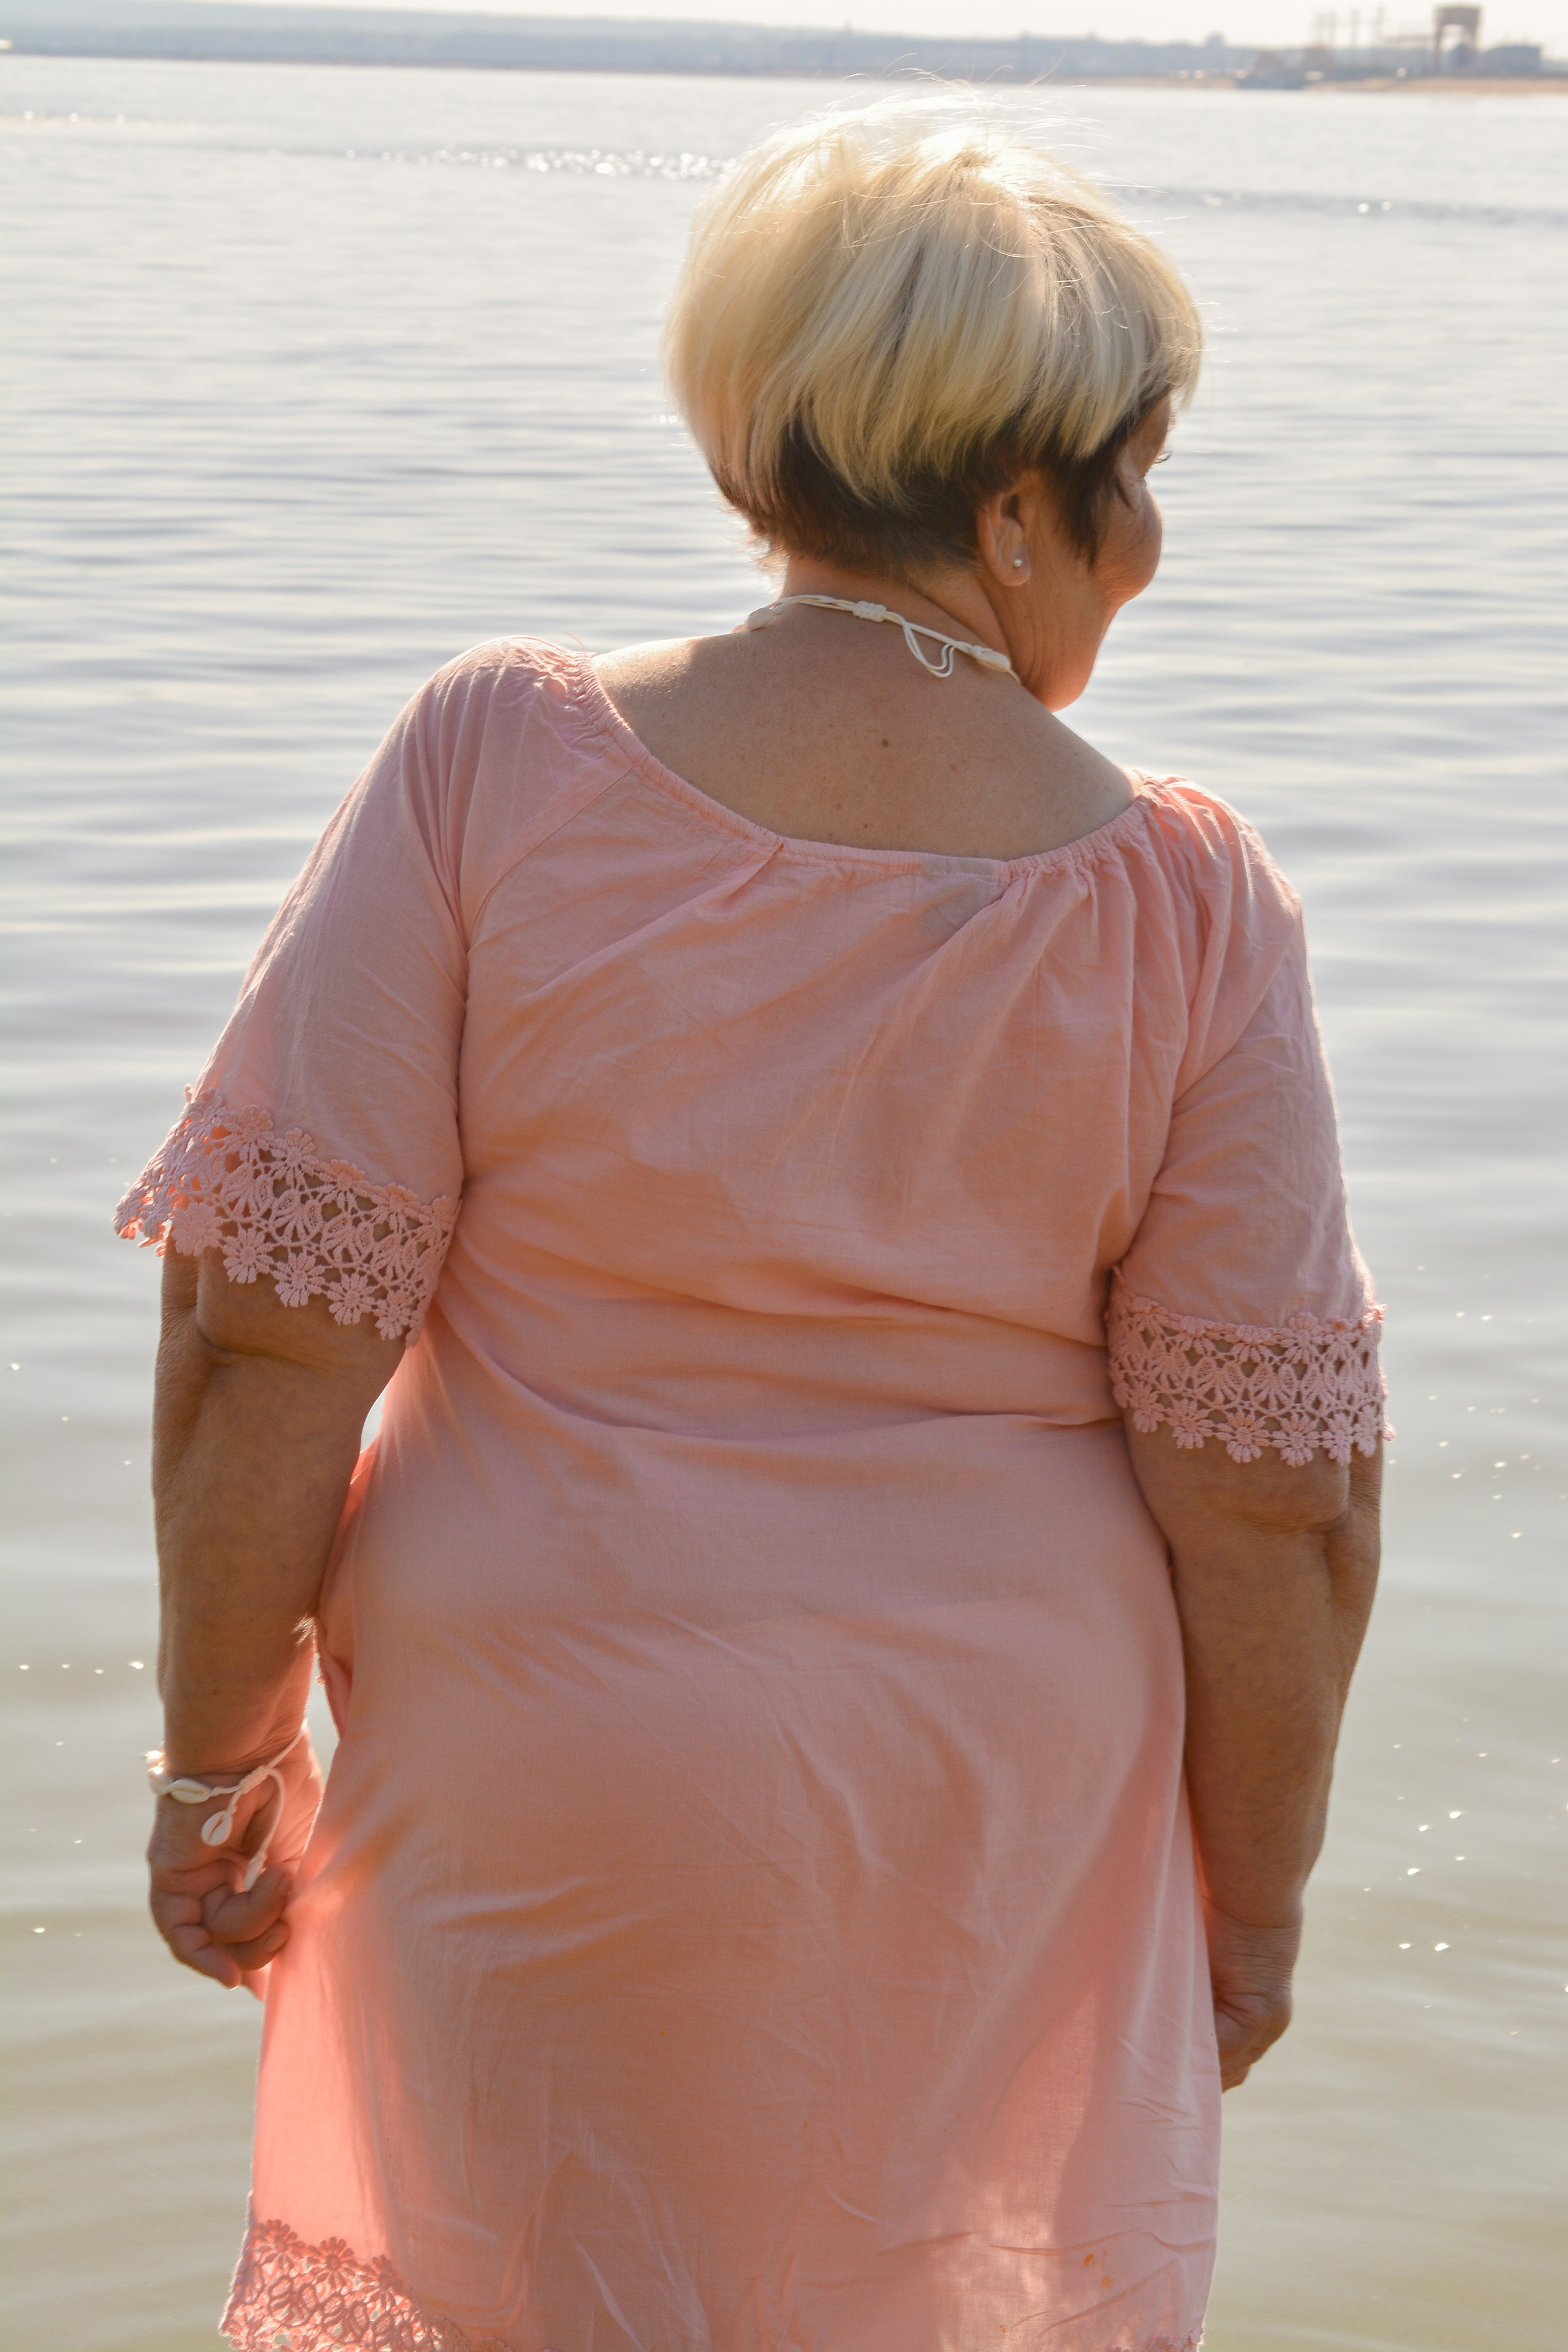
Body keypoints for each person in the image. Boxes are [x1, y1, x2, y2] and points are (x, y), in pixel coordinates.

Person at [118, 98, 1386, 2352]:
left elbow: (260, 1331)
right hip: (986, 1813)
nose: (1153, 534)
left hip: (541, 1753)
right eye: (1140, 472)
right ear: (1018, 509)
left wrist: (227, 1763)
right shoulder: (1188, 900)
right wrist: (1250, 1904)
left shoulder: (493, 764)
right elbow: (1274, 1501)